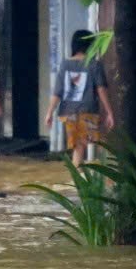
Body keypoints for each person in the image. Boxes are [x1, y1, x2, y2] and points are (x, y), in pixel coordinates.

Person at [45, 29, 116, 166]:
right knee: (88, 143)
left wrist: (49, 113)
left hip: (68, 112)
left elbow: (57, 92)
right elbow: (101, 89)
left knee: (78, 145)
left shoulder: (65, 64)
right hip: (87, 111)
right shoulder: (94, 64)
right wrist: (109, 111)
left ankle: (78, 176)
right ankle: (83, 177)